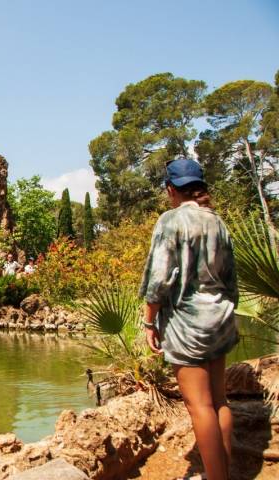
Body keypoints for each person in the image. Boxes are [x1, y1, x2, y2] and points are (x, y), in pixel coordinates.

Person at [140, 158, 238, 480]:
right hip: (220, 317)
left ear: (171, 189)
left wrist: (149, 321)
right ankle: (221, 471)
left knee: (199, 407)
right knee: (219, 401)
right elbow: (231, 277)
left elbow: (159, 278)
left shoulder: (171, 221)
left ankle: (215, 477)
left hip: (188, 323)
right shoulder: (217, 221)